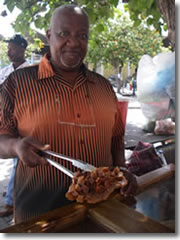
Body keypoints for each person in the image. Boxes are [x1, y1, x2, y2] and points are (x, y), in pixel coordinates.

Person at [0, 4, 137, 224]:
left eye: (82, 35)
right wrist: (15, 146)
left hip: (102, 214)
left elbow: (116, 139)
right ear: (49, 35)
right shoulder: (17, 83)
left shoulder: (104, 87)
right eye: (64, 34)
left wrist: (122, 171)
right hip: (39, 217)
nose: (73, 43)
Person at [0, 34, 29, 217]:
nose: (9, 51)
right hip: (4, 120)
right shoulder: (4, 70)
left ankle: (11, 201)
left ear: (22, 49)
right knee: (11, 157)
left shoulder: (32, 71)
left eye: (12, 48)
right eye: (8, 48)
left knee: (19, 158)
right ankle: (13, 191)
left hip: (22, 121)